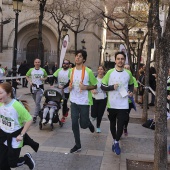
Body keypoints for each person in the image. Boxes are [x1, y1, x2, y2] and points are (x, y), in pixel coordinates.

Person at [101, 51, 134, 155]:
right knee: (112, 124)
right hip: (112, 104)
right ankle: (115, 140)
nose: (120, 61)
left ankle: (116, 142)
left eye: (122, 59)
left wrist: (131, 92)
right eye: (118, 59)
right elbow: (102, 86)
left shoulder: (128, 73)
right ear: (115, 60)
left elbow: (131, 84)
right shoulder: (110, 72)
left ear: (124, 60)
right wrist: (111, 87)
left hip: (124, 104)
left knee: (120, 125)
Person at [0, 82, 36, 170]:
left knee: (12, 163)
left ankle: (26, 159)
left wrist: (22, 134)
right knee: (2, 163)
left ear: (8, 94)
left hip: (15, 138)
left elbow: (29, 119)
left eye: (0, 93)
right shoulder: (1, 103)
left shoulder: (16, 106)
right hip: (3, 136)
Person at [69, 49, 97, 153]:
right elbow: (71, 83)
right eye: (76, 56)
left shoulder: (88, 72)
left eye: (80, 56)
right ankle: (78, 145)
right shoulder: (71, 71)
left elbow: (95, 85)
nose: (77, 57)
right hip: (74, 101)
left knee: (83, 124)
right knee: (74, 123)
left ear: (84, 59)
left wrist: (85, 87)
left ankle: (88, 123)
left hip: (84, 101)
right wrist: (70, 87)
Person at [26, 58, 48, 123]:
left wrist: (43, 79)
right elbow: (26, 76)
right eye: (36, 62)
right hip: (33, 88)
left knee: (38, 102)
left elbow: (46, 76)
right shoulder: (31, 70)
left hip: (40, 88)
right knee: (36, 103)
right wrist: (30, 82)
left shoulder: (43, 70)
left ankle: (35, 116)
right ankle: (41, 112)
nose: (37, 63)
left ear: (40, 63)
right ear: (34, 63)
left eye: (38, 62)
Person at [51, 59, 70, 123]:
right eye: (64, 63)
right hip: (59, 90)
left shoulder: (70, 71)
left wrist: (64, 87)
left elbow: (70, 81)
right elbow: (53, 76)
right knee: (57, 102)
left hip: (66, 90)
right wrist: (51, 84)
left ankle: (63, 117)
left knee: (64, 103)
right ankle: (57, 114)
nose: (65, 64)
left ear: (69, 65)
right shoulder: (59, 70)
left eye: (67, 63)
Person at [91, 65, 107, 133]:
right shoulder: (94, 78)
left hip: (103, 98)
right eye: (99, 69)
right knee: (93, 114)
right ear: (97, 70)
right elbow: (90, 86)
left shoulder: (106, 79)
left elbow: (108, 88)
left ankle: (98, 126)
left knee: (100, 114)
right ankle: (93, 116)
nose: (100, 71)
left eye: (101, 69)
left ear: (104, 70)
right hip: (94, 97)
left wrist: (106, 90)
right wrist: (92, 90)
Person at [123, 64, 138, 136]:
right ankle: (120, 127)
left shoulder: (133, 78)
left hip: (128, 101)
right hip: (120, 100)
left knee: (126, 116)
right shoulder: (119, 77)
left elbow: (135, 89)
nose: (126, 69)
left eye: (128, 68)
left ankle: (125, 127)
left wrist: (132, 91)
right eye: (125, 68)